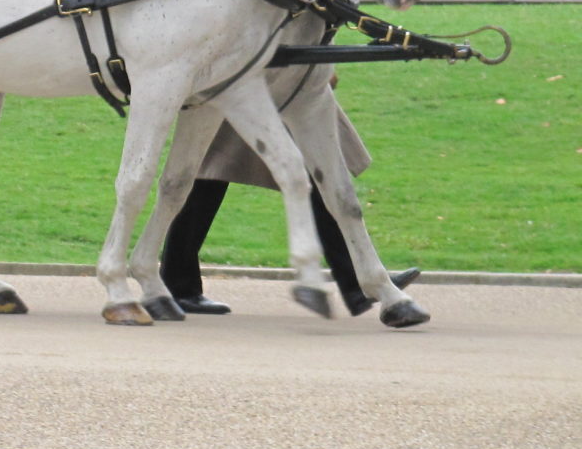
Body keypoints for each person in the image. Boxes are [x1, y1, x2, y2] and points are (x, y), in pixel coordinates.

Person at [161, 95, 420, 316]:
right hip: (243, 83)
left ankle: (358, 280)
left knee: (213, 171)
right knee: (211, 172)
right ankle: (358, 281)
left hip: (268, 81)